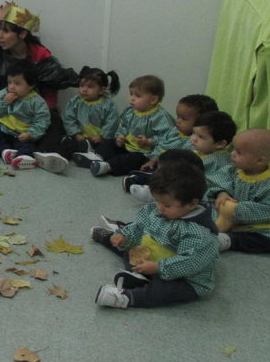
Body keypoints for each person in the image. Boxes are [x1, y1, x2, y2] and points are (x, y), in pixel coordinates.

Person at [91, 164, 217, 309]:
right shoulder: (158, 210)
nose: (159, 207)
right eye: (157, 201)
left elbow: (189, 262)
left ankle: (126, 298)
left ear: (191, 204)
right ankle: (111, 240)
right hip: (151, 258)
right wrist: (124, 236)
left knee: (163, 292)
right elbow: (139, 227)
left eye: (167, 205)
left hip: (182, 277)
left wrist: (159, 267)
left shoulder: (199, 235)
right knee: (128, 248)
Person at [0, 2, 76, 152]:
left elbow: (50, 95)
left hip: (34, 109)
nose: (0, 36)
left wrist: (34, 117)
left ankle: (48, 155)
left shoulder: (40, 55)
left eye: (6, 31)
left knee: (54, 121)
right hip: (3, 106)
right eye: (0, 30)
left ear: (22, 34)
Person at [0, 61, 65, 172]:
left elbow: (42, 120)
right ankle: (5, 152)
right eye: (9, 82)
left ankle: (25, 157)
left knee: (26, 144)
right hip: (4, 130)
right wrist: (4, 103)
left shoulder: (36, 101)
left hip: (22, 134)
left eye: (17, 83)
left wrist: (31, 133)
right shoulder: (5, 93)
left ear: (31, 85)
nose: (12, 87)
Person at [73, 75, 174, 177]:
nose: (132, 99)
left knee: (132, 159)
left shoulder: (160, 117)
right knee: (109, 143)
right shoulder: (130, 111)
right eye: (131, 94)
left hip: (144, 152)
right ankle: (95, 156)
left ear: (153, 100)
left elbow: (167, 138)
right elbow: (122, 126)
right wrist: (120, 136)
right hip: (127, 145)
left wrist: (149, 141)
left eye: (138, 96)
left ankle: (107, 166)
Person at [211, 128, 270, 253]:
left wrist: (235, 209)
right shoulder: (233, 170)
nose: (232, 154)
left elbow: (266, 209)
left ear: (260, 160)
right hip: (227, 215)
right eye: (233, 149)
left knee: (261, 241)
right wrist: (222, 193)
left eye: (239, 152)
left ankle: (227, 240)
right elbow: (220, 178)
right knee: (208, 206)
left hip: (261, 227)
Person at [60, 66, 120, 157]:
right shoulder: (75, 101)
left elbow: (112, 122)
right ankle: (61, 157)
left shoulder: (108, 105)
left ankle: (93, 158)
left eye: (90, 86)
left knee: (108, 149)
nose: (84, 89)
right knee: (67, 143)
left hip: (99, 140)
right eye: (81, 85)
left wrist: (102, 137)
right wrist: (76, 134)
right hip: (80, 138)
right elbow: (69, 119)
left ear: (101, 90)